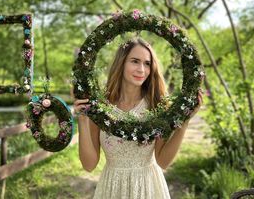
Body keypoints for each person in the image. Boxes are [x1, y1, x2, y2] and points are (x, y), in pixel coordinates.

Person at [73, 37, 203, 199]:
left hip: (148, 188)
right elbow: (89, 165)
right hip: (113, 188)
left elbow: (163, 161)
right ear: (121, 63)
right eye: (135, 61)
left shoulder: (157, 105)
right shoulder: (101, 107)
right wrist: (83, 121)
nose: (142, 69)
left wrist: (184, 122)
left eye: (147, 63)